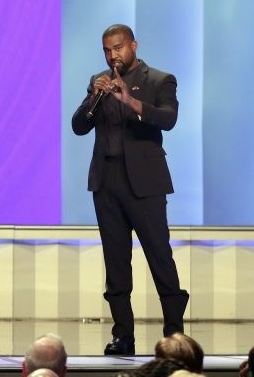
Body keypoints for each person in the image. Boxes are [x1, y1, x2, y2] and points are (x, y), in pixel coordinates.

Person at [72, 24, 189, 355]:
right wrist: (94, 97)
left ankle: (174, 335)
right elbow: (79, 126)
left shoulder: (159, 80)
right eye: (107, 50)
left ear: (133, 45)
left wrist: (131, 101)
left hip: (146, 184)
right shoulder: (99, 81)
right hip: (106, 182)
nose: (113, 55)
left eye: (118, 48)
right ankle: (123, 335)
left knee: (160, 257)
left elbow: (168, 119)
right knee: (116, 263)